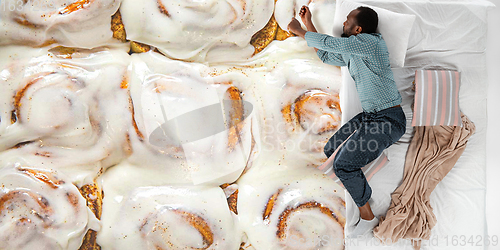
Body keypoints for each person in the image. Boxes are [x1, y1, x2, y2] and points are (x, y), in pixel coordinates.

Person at [287, 6, 406, 238]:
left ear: (358, 29)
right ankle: (369, 162)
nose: (343, 23)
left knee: (343, 165)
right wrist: (308, 22)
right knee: (331, 150)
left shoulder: (370, 43)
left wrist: (299, 30)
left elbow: (332, 44)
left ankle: (368, 216)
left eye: (347, 20)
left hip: (388, 120)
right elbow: (324, 53)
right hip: (370, 117)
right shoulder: (354, 50)